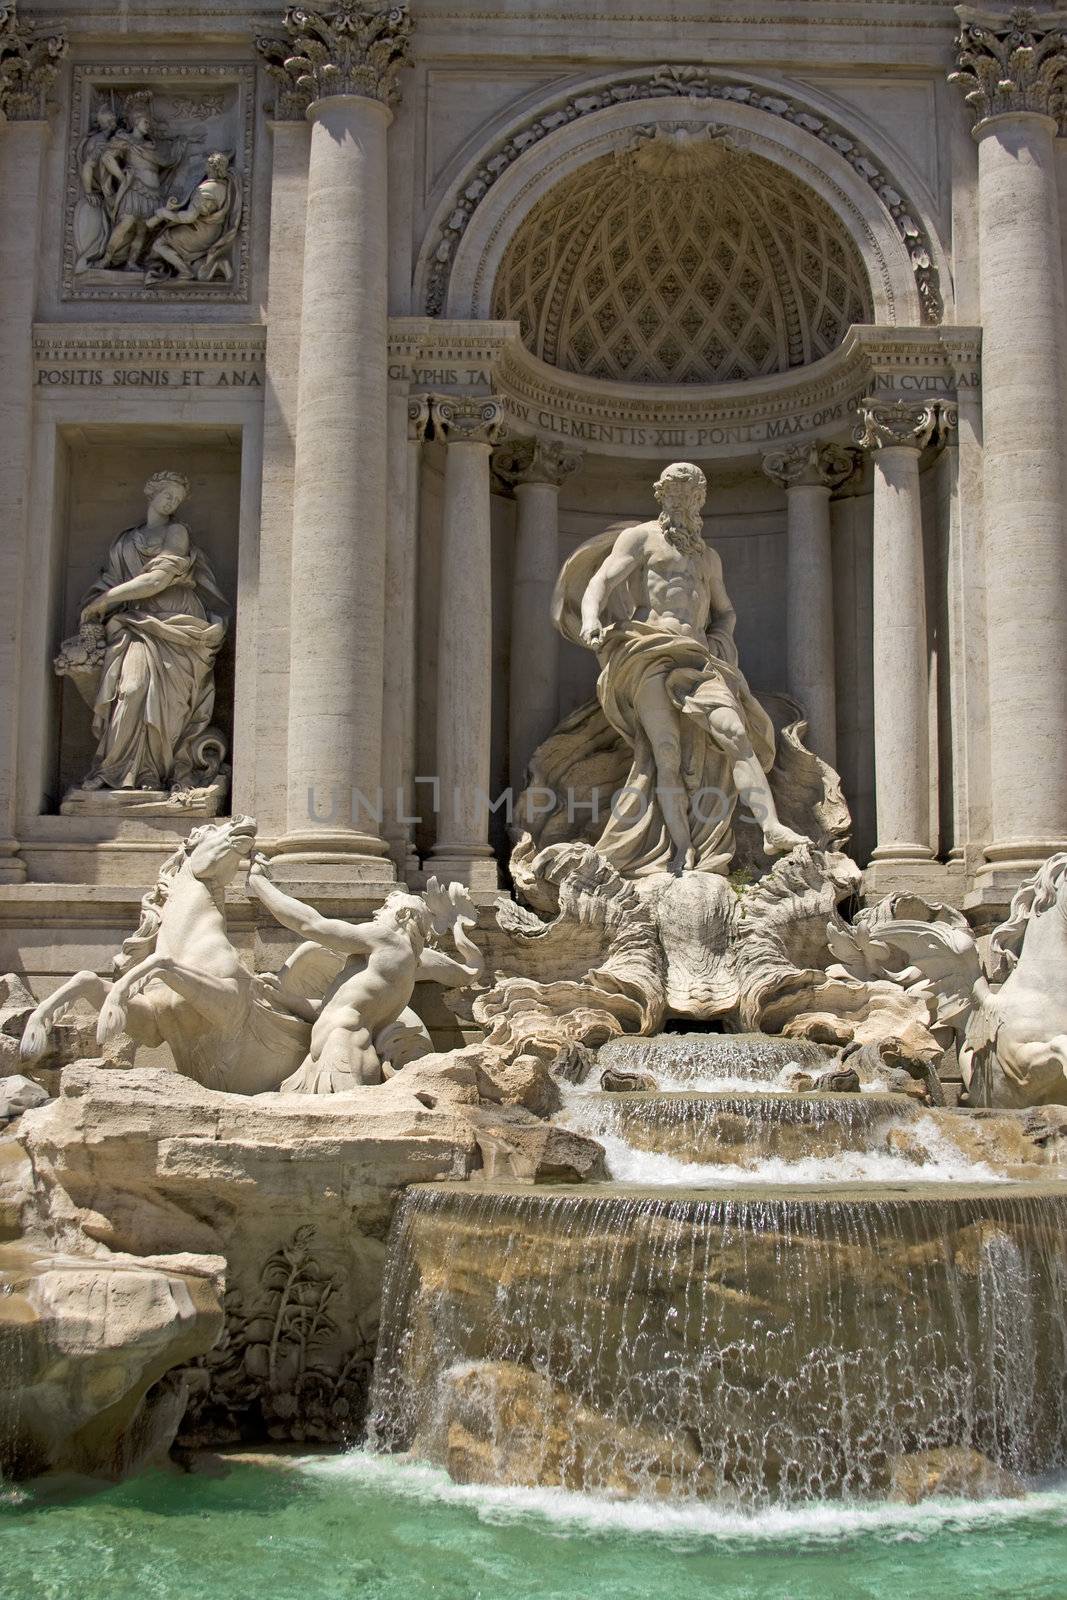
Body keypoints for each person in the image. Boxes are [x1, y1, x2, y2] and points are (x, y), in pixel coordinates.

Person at [554, 460, 808, 876]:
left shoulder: (707, 557)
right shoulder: (641, 539)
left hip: (699, 657)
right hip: (649, 650)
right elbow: (600, 582)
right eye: (674, 493)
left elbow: (725, 611)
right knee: (666, 754)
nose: (682, 501)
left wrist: (721, 642)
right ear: (662, 496)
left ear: (700, 500)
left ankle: (772, 826)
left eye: (690, 494)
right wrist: (590, 620)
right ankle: (681, 851)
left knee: (737, 735)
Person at [245, 860, 483, 1092]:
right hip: (331, 1053)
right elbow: (469, 973)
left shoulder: (387, 939)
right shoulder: (414, 962)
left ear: (402, 916)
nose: (377, 914)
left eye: (385, 909)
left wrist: (259, 883)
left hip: (342, 1051)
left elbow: (311, 925)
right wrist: (285, 1000)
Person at [78, 471, 229, 793]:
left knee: (169, 705)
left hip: (178, 625)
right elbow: (109, 580)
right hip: (136, 623)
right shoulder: (124, 542)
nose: (172, 502)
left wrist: (105, 600)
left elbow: (156, 580)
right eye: (168, 495)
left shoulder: (177, 533)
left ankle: (152, 774)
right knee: (131, 690)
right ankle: (114, 771)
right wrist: (97, 602)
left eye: (177, 499)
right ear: (152, 492)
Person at [144, 152, 242, 284]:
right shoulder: (225, 186)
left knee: (159, 244)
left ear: (210, 167)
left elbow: (189, 217)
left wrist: (165, 213)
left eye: (207, 163)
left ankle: (185, 272)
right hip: (215, 231)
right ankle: (217, 265)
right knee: (175, 240)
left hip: (200, 233)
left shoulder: (204, 191)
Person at [73, 105, 118, 272]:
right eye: (112, 121)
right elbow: (88, 166)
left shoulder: (106, 139)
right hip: (106, 190)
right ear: (106, 123)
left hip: (111, 188)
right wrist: (89, 192)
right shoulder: (100, 142)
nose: (115, 123)